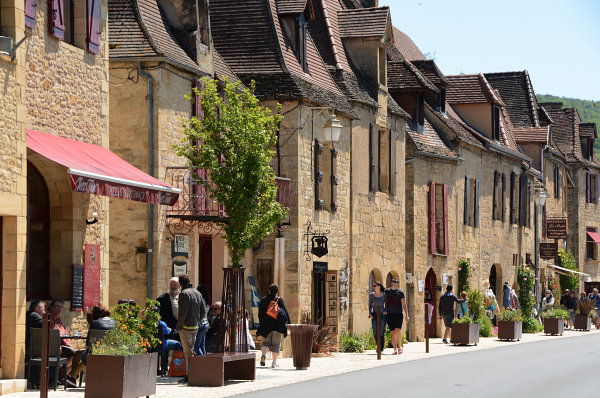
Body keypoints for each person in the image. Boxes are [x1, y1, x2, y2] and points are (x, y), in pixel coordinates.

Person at [176, 274, 204, 384]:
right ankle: (194, 373)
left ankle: (190, 375)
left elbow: (182, 313)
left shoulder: (184, 294)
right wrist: (197, 320)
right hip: (195, 326)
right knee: (193, 350)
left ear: (180, 283)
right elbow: (203, 311)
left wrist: (179, 325)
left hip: (186, 327)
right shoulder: (198, 293)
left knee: (188, 352)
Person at [257, 284, 290, 368]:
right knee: (276, 344)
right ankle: (274, 362)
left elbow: (260, 313)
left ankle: (264, 354)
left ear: (269, 290)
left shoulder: (264, 300)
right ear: (277, 291)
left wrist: (261, 324)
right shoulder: (279, 300)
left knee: (266, 342)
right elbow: (285, 312)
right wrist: (288, 323)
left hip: (266, 325)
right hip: (277, 326)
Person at [385, 277, 408, 355]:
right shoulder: (387, 291)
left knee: (398, 330)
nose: (395, 282)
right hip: (389, 314)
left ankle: (399, 347)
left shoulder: (400, 293)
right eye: (394, 281)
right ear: (391, 282)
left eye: (397, 281)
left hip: (398, 314)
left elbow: (404, 304)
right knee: (392, 332)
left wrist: (407, 315)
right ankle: (394, 349)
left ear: (398, 283)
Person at [368, 281, 387, 353]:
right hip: (375, 314)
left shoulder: (384, 295)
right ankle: (378, 346)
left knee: (381, 332)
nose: (374, 287)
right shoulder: (371, 295)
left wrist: (385, 310)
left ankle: (381, 348)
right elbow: (370, 305)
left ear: (379, 286)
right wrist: (370, 313)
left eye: (375, 286)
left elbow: (386, 304)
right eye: (373, 286)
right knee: (375, 332)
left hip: (382, 315)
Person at [193, 284, 210, 356]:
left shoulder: (200, 300)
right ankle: (205, 361)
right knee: (202, 345)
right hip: (206, 323)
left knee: (197, 346)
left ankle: (201, 362)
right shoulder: (206, 300)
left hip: (201, 324)